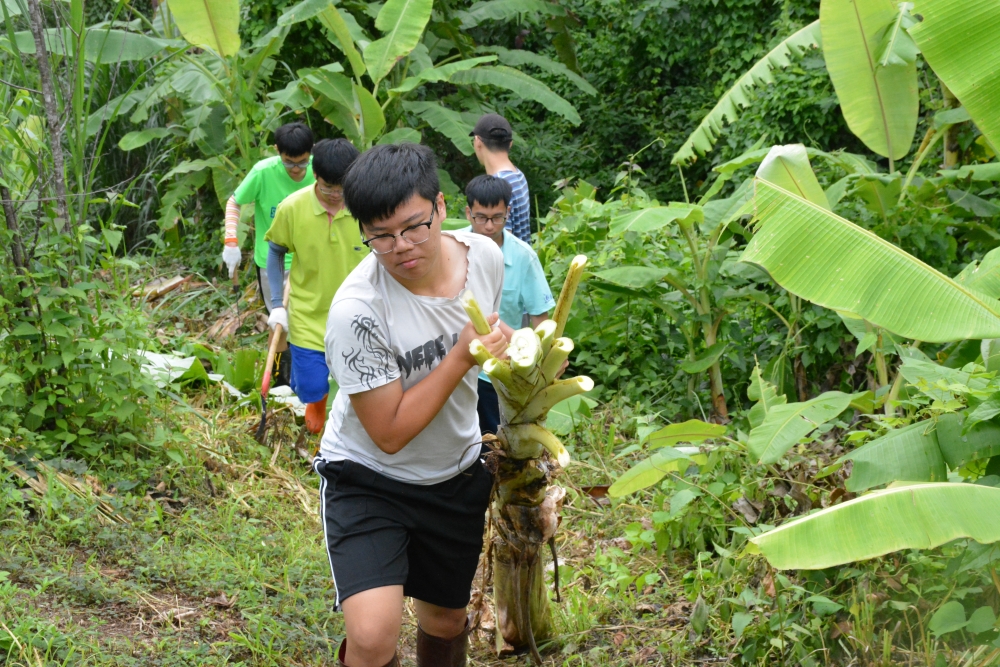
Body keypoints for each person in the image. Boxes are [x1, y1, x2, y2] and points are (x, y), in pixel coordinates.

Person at [316, 143, 510, 667]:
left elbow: (486, 337)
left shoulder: (485, 258)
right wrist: (460, 356)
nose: (400, 246)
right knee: (374, 634)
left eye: (414, 226)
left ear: (441, 208)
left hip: (454, 471)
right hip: (370, 475)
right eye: (379, 235)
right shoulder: (357, 311)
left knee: (445, 621)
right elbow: (390, 433)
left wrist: (509, 350)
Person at [264, 138, 367, 435]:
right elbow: (275, 250)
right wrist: (276, 305)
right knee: (311, 386)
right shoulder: (292, 208)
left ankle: (342, 433)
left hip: (355, 317)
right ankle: (315, 406)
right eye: (328, 187)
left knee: (355, 383)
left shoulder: (366, 208)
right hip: (308, 316)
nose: (336, 195)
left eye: (342, 188)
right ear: (315, 176)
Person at [463, 174, 554, 436]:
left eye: (497, 218)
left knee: (497, 443)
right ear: (468, 213)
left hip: (502, 373)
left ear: (508, 213)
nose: (489, 226)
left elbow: (540, 318)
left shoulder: (523, 256)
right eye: (481, 217)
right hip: (459, 369)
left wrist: (542, 355)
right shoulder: (452, 248)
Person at [221, 121, 315, 311]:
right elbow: (234, 202)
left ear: (311, 151)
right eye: (288, 162)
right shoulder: (263, 172)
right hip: (273, 265)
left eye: (302, 162)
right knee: (279, 323)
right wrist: (231, 240)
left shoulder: (321, 171)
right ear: (277, 150)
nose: (296, 169)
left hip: (312, 261)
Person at [470, 113, 531, 244]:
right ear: (510, 144)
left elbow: (501, 240)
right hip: (523, 260)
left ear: (478, 142)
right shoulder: (518, 176)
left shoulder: (499, 184)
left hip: (507, 264)